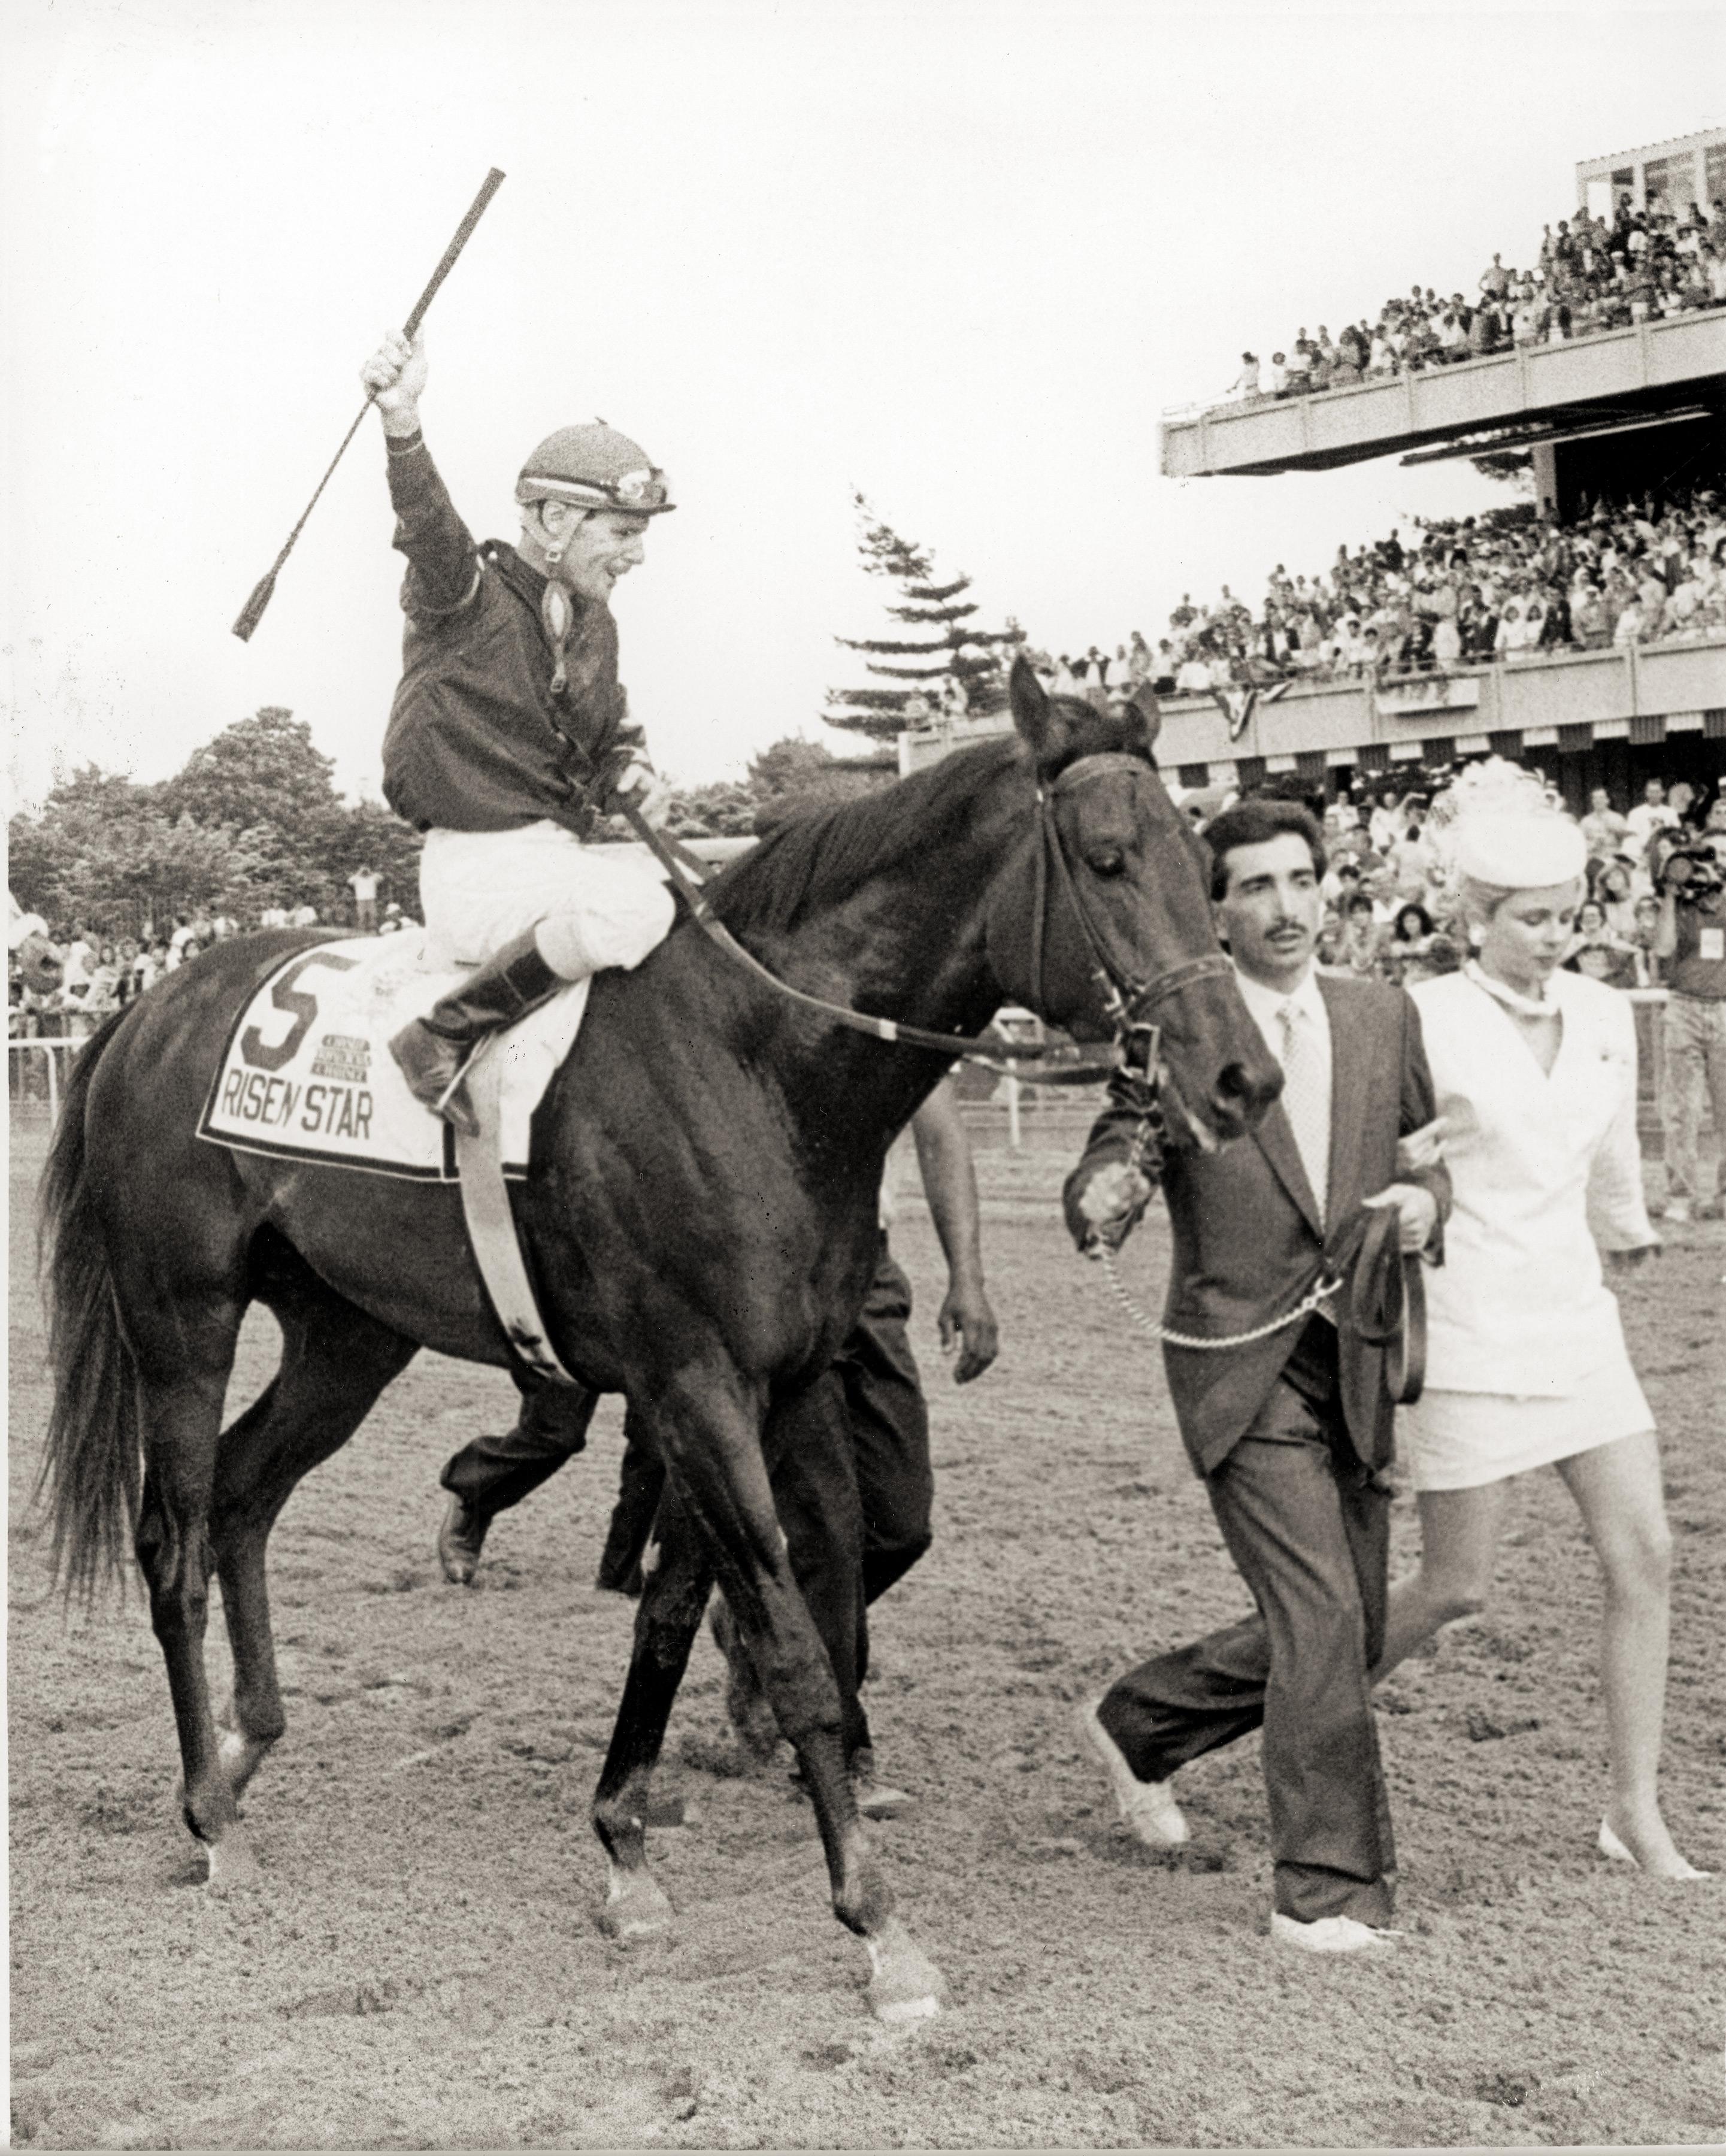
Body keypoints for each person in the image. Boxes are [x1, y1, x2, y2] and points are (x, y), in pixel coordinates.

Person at [1064, 798, 1449, 1955]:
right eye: (1256, 887)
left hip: (1361, 1354)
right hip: (1238, 1363)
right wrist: (1102, 1192)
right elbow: (1118, 1145)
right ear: (1215, 911)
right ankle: (1321, 1893)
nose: (1285, 908)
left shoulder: (1381, 1014)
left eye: (1300, 880)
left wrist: (1427, 1204)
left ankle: (1140, 1724)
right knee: (1323, 1615)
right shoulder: (1179, 1029)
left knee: (1351, 1621)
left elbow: (1426, 1160)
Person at [435, 1079, 998, 1803]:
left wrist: (967, 1278)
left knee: (900, 1525)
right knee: (825, 1528)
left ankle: (754, 1618)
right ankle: (836, 1755)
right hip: (759, 1273)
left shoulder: (886, 1022)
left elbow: (941, 1128)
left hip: (863, 1268)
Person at [1376, 802, 1706, 1880]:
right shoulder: (1419, 1017)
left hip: (1574, 1320)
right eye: (1531, 918)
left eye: (1568, 914)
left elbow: (1609, 1150)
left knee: (1644, 1553)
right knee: (1453, 1587)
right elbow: (1386, 1157)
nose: (1556, 934)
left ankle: (1632, 1811)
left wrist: (1627, 1229)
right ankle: (1292, 1706)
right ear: (1474, 918)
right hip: (1465, 1327)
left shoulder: (1604, 1011)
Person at [361, 327, 677, 1135]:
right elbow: (428, 525)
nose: (638, 555)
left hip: (554, 863)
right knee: (637, 911)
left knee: (691, 905)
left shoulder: (596, 627)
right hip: (479, 872)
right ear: (555, 517)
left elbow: (608, 737)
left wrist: (632, 769)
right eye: (623, 532)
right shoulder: (465, 594)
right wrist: (402, 422)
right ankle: (443, 1034)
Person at [1651, 821, 1726, 1223]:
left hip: (1725, 1008)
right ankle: (1681, 1194)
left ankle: (1724, 1195)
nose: (1714, 866)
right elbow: (1663, 949)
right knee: (1683, 1110)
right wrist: (1670, 893)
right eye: (1708, 858)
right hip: (1684, 1009)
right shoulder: (1682, 906)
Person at [347, 864, 380, 932]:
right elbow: (349, 881)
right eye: (363, 870)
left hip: (371, 899)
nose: (365, 872)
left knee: (373, 915)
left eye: (366, 870)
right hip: (361, 899)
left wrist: (371, 873)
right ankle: (362, 930)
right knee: (361, 915)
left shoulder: (373, 878)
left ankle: (373, 930)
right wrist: (358, 873)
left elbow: (380, 878)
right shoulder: (357, 878)